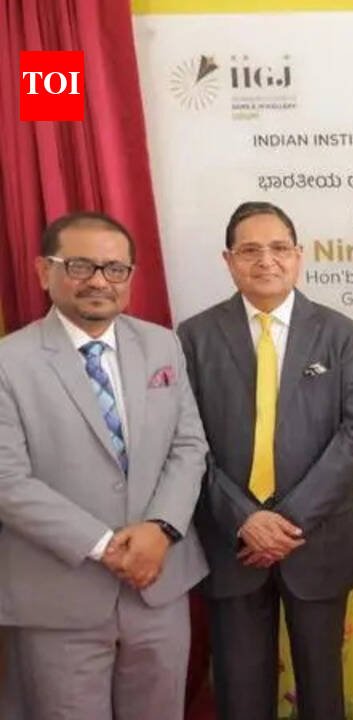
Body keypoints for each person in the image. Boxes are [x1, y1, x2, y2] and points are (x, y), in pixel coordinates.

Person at [0, 211, 208, 719]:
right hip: (59, 591)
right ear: (43, 271)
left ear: (130, 277)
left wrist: (161, 529)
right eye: (79, 266)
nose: (99, 281)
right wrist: (103, 546)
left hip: (158, 583)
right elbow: (7, 480)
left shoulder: (162, 344)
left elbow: (188, 446)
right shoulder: (9, 361)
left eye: (115, 269)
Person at [177, 202, 353, 720]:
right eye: (249, 250)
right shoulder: (194, 337)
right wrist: (246, 519)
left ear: (298, 256)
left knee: (322, 692)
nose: (266, 260)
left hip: (316, 539)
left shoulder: (341, 334)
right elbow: (187, 441)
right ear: (228, 261)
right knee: (240, 694)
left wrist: (285, 522)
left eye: (278, 248)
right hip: (232, 541)